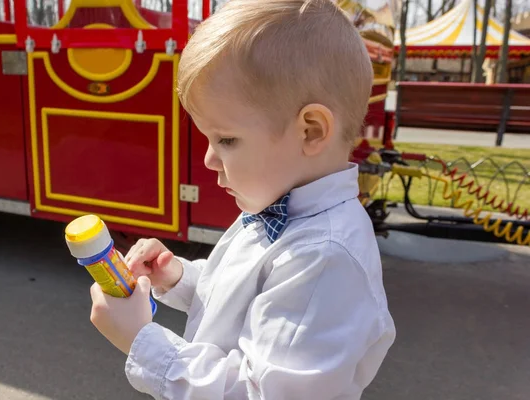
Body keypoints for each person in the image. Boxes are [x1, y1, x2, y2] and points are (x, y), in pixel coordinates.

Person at [88, 0, 396, 398]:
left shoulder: (324, 259)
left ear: (312, 131)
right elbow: (244, 299)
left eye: (227, 140)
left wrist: (141, 340)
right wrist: (178, 277)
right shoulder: (279, 206)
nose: (209, 158)